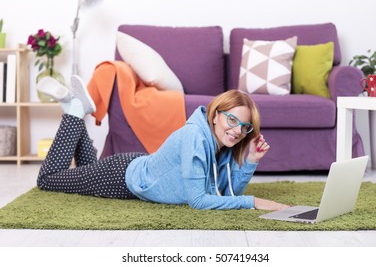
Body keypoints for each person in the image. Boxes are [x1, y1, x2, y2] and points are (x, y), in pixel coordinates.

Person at [36, 75, 290, 211]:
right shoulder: (196, 137)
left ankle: (78, 109)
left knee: (83, 172)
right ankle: (74, 112)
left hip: (133, 167)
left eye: (244, 127)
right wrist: (254, 202)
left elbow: (226, 192)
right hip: (120, 178)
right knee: (47, 180)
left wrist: (249, 163)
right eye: (232, 120)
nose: (237, 131)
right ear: (215, 115)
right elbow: (199, 201)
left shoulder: (219, 143)